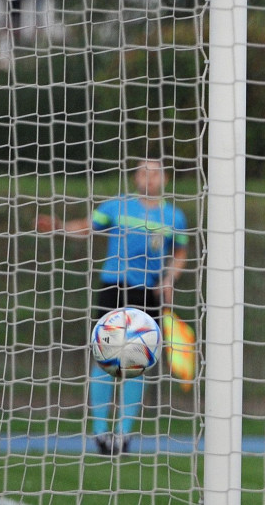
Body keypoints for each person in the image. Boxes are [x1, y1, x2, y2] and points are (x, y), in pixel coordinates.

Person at [37, 158, 189, 456]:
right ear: (135, 177)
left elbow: (180, 251)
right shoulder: (116, 207)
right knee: (105, 358)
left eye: (155, 173)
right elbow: (86, 227)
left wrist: (169, 278)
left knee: (137, 361)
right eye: (144, 172)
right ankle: (99, 433)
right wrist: (58, 227)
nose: (150, 178)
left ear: (165, 179)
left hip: (148, 290)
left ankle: (124, 433)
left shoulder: (174, 216)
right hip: (114, 287)